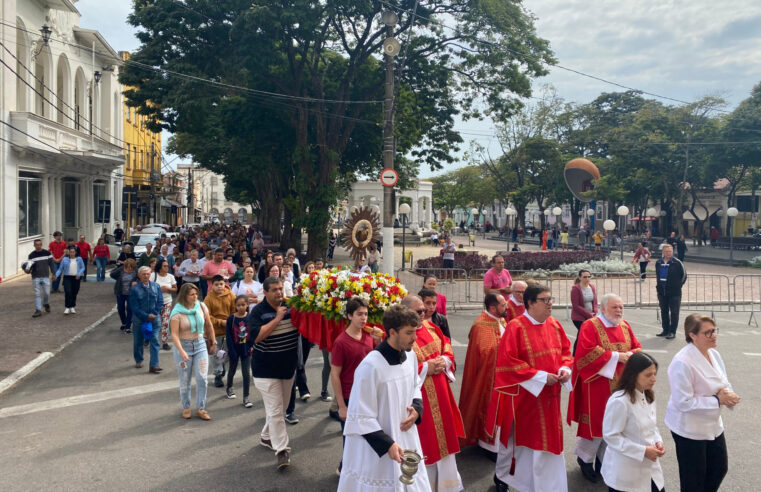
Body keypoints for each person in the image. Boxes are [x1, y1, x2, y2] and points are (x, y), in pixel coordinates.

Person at [487, 284, 573, 492]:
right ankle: (505, 477)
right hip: (524, 397)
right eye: (545, 300)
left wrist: (564, 369)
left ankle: (546, 484)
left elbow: (565, 351)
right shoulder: (516, 327)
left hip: (550, 396)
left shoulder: (554, 324)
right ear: (531, 303)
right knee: (520, 442)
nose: (550, 303)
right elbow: (507, 362)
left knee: (547, 441)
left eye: (551, 299)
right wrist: (541, 377)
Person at [337, 304, 430, 492]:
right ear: (393, 332)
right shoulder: (370, 366)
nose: (415, 337)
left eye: (415, 331)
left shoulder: (410, 356)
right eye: (409, 332)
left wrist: (417, 410)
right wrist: (388, 444)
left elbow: (415, 386)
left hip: (405, 436)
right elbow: (360, 415)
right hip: (377, 447)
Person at [567, 293, 642, 483]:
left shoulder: (624, 326)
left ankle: (604, 462)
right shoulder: (590, 326)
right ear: (602, 308)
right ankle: (585, 460)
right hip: (597, 385)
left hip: (622, 384)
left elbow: (637, 347)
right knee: (596, 426)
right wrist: (617, 357)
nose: (619, 311)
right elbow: (584, 353)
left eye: (621, 307)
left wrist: (630, 354)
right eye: (614, 307)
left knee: (616, 425)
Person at [665, 314, 739, 492]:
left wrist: (729, 396)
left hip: (713, 426)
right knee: (693, 480)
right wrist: (717, 400)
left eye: (714, 331)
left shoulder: (713, 354)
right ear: (692, 335)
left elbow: (723, 381)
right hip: (689, 429)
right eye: (708, 332)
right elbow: (683, 402)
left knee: (719, 468)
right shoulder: (682, 363)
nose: (714, 335)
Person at [401, 294, 465, 492]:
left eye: (425, 309)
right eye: (418, 311)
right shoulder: (401, 336)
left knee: (445, 444)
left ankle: (450, 486)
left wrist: (444, 362)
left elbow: (446, 346)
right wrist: (424, 368)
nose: (425, 313)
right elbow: (397, 369)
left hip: (441, 394)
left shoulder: (432, 327)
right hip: (420, 401)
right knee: (425, 446)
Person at [248, 276, 300, 470]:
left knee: (280, 408)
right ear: (266, 292)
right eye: (275, 290)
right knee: (277, 411)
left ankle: (266, 436)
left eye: (281, 288)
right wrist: (278, 318)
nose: (280, 292)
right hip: (265, 370)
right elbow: (257, 337)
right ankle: (282, 451)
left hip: (287, 369)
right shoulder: (258, 312)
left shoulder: (292, 307)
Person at [601, 352, 665, 492]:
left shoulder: (647, 395)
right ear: (633, 375)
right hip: (625, 473)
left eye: (655, 374)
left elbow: (651, 426)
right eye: (648, 375)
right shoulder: (620, 401)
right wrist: (642, 451)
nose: (653, 379)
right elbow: (611, 436)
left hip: (649, 468)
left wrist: (658, 441)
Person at [330, 297, 376, 475]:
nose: (364, 318)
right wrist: (341, 406)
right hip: (350, 396)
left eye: (365, 314)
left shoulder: (369, 336)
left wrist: (378, 342)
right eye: (359, 314)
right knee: (350, 438)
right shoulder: (341, 342)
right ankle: (346, 469)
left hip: (368, 394)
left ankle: (360, 468)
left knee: (368, 434)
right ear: (349, 315)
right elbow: (335, 374)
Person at [459, 294, 507, 456]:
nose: (506, 306)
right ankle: (487, 444)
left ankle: (497, 443)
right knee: (487, 408)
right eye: (503, 304)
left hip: (503, 375)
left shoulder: (501, 320)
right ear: (493, 308)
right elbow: (485, 352)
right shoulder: (481, 325)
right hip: (488, 377)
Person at [169, 282, 216, 420]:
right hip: (184, 346)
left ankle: (201, 408)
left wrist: (213, 341)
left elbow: (208, 324)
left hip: (200, 344)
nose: (195, 297)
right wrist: (181, 351)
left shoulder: (201, 306)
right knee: (185, 380)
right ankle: (186, 406)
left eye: (196, 294)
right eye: (192, 294)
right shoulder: (176, 312)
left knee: (202, 378)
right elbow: (174, 335)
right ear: (184, 296)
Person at [204, 274, 237, 388]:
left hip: (228, 330)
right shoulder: (208, 298)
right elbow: (207, 316)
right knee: (216, 354)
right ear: (212, 285)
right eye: (216, 284)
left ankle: (221, 367)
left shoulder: (231, 296)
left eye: (221, 284)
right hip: (214, 331)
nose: (219, 287)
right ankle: (218, 375)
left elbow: (234, 311)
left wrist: (230, 320)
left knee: (227, 354)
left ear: (225, 284)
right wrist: (220, 321)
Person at [129, 266, 164, 373]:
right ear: (139, 276)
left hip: (154, 319)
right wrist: (145, 316)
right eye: (143, 274)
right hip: (139, 319)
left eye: (148, 274)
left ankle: (154, 365)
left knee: (155, 340)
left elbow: (160, 301)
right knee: (138, 341)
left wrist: (154, 313)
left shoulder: (156, 286)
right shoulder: (134, 289)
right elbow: (134, 306)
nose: (146, 276)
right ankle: (139, 359)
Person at [226, 295, 253, 408]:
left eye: (243, 305)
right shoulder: (231, 319)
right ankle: (229, 387)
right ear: (235, 306)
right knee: (232, 369)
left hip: (246, 350)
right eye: (238, 305)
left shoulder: (250, 317)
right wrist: (231, 351)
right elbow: (228, 336)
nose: (241, 307)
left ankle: (246, 397)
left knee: (246, 373)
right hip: (234, 350)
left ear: (247, 305)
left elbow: (253, 333)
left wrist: (251, 346)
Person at [655, 244, 686, 339]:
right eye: (667, 251)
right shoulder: (658, 263)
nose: (669, 253)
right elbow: (658, 275)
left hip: (674, 293)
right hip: (662, 292)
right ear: (663, 252)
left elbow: (684, 276)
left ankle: (672, 331)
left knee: (674, 312)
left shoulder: (677, 263)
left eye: (670, 251)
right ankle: (665, 330)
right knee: (664, 311)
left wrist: (677, 286)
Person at [571, 269, 598, 354]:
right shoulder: (576, 288)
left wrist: (595, 311)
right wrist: (588, 314)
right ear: (580, 278)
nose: (587, 279)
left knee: (586, 335)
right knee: (582, 334)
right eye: (585, 277)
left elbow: (595, 301)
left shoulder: (592, 287)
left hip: (590, 316)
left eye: (589, 277)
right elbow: (576, 306)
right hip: (579, 317)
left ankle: (586, 352)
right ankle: (575, 354)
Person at [153, 259, 178, 351]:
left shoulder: (170, 276)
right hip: (155, 303)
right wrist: (158, 290)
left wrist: (168, 289)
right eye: (165, 266)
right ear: (159, 267)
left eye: (167, 266)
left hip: (167, 302)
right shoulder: (153, 276)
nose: (167, 267)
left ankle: (165, 342)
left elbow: (175, 289)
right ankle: (151, 340)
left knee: (165, 322)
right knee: (155, 322)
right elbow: (148, 288)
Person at [25, 239, 54, 317]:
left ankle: (46, 303)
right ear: (34, 245)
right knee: (37, 294)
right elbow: (29, 267)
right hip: (35, 277)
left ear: (41, 244)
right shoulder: (31, 255)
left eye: (39, 244)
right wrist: (27, 271)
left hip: (45, 276)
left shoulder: (47, 253)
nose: (38, 246)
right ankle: (38, 310)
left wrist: (53, 274)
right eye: (36, 245)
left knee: (47, 293)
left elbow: (51, 264)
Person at [54, 246, 85, 315]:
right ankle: (67, 307)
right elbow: (60, 269)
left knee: (75, 292)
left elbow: (82, 267)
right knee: (68, 292)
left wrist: (79, 274)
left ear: (75, 252)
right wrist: (56, 275)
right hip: (67, 277)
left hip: (76, 278)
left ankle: (72, 306)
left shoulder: (79, 259)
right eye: (70, 252)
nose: (72, 253)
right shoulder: (65, 259)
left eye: (73, 252)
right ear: (68, 252)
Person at [111, 259, 138, 333]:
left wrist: (136, 282)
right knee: (120, 308)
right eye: (128, 267)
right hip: (120, 292)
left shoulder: (136, 271)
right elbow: (112, 274)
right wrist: (119, 278)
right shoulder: (121, 270)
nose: (129, 269)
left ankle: (128, 326)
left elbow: (139, 278)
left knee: (130, 309)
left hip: (131, 293)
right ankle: (124, 322)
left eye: (131, 268)